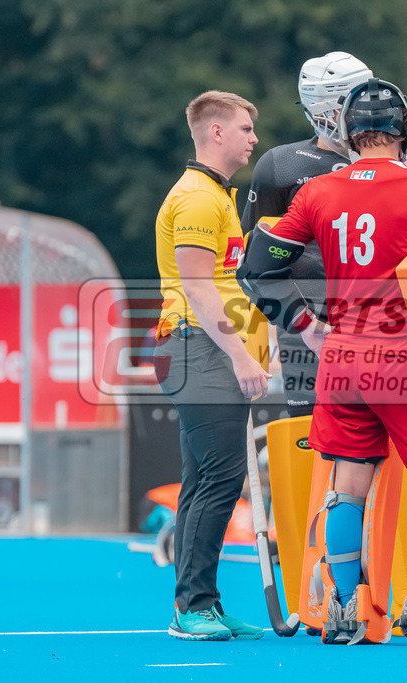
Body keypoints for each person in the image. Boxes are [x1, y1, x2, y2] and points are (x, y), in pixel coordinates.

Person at [240, 78, 407, 646]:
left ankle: (346, 606)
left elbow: (257, 269)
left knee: (348, 484)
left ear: (347, 132)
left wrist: (305, 326)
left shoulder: (316, 193)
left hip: (341, 356)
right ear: (403, 131)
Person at [243, 51, 407, 627]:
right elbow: (257, 259)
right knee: (324, 457)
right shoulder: (281, 166)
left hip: (386, 335)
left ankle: (391, 582)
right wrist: (299, 324)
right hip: (317, 334)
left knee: (389, 461)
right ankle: (323, 587)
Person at [153, 90, 270, 641]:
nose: (254, 138)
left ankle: (201, 602)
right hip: (196, 346)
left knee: (203, 478)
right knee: (222, 477)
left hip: (199, 347)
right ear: (216, 131)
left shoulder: (216, 195)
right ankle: (192, 607)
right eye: (246, 128)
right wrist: (242, 356)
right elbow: (198, 289)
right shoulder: (199, 198)